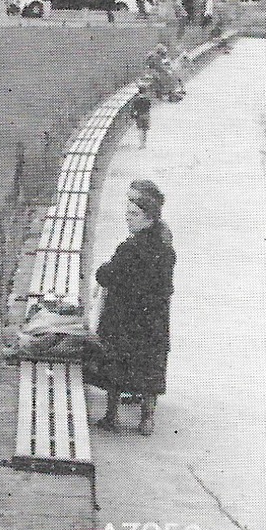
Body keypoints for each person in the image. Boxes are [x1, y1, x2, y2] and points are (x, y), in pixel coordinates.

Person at [87, 183, 176, 436]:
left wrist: (104, 271)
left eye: (134, 214)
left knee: (115, 360)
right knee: (150, 365)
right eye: (127, 213)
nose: (128, 219)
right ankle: (147, 419)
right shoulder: (165, 244)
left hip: (124, 318)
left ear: (149, 216)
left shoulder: (130, 249)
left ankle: (111, 415)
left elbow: (107, 275)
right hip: (154, 319)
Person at [128, 82, 153, 148]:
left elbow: (133, 108)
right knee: (145, 130)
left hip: (139, 115)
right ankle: (144, 143)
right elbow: (149, 106)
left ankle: (141, 144)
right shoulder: (147, 99)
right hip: (146, 115)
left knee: (140, 129)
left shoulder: (136, 99)